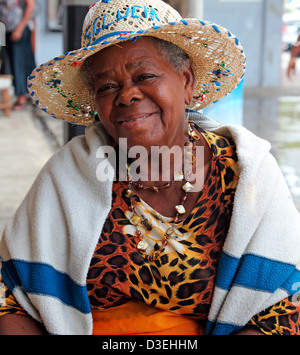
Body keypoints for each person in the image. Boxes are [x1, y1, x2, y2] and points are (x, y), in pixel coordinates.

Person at [1, 0, 300, 335]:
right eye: (107, 86)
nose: (127, 96)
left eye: (144, 76)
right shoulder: (67, 177)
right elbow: (8, 297)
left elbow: (282, 309)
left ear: (186, 81)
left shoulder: (247, 175)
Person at [0, 0, 36, 110]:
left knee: (19, 63)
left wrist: (19, 29)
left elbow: (31, 6)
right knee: (9, 63)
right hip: (5, 29)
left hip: (19, 29)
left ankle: (22, 97)